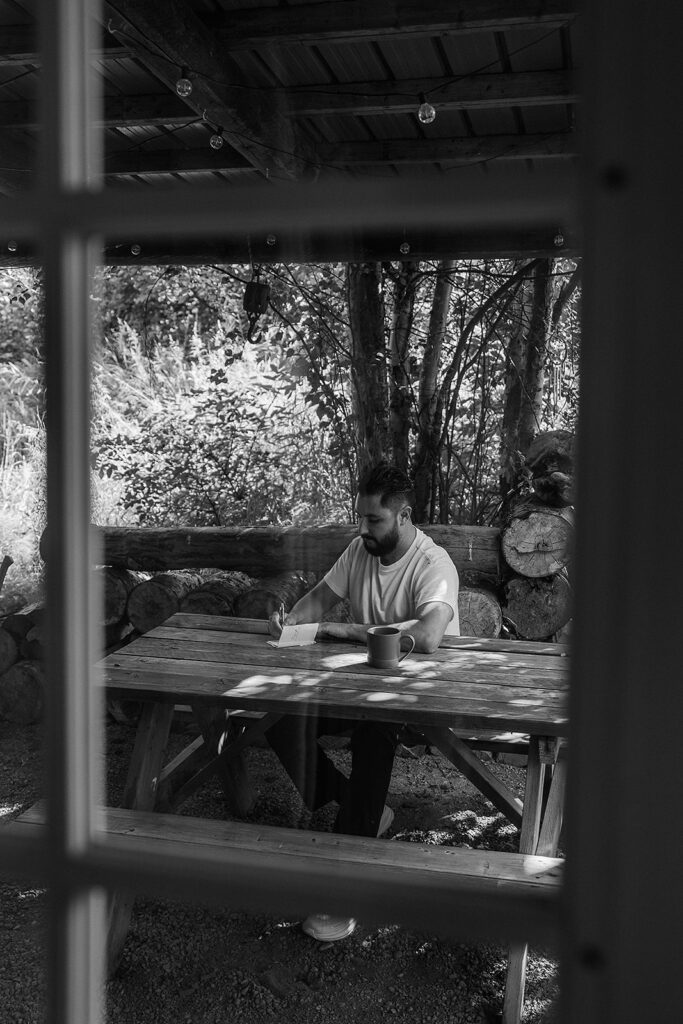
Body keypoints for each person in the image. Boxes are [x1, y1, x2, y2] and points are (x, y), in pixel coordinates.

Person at [266, 461, 460, 943]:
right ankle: (365, 809)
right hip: (353, 688)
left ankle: (342, 889)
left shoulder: (433, 565)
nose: (362, 528)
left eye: (373, 520)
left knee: (375, 735)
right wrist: (287, 623)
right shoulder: (359, 551)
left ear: (404, 515)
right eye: (360, 517)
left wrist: (346, 631)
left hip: (421, 699)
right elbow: (316, 601)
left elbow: (431, 636)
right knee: (278, 719)